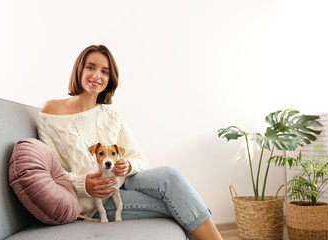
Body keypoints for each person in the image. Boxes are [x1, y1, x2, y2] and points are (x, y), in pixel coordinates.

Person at [37, 45, 223, 240]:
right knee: (178, 204)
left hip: (124, 180)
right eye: (90, 67)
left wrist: (128, 165)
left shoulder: (111, 115)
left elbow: (140, 158)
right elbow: (50, 172)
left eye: (105, 71)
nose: (97, 76)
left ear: (110, 78)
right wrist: (82, 184)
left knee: (171, 176)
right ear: (79, 70)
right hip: (96, 198)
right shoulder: (53, 111)